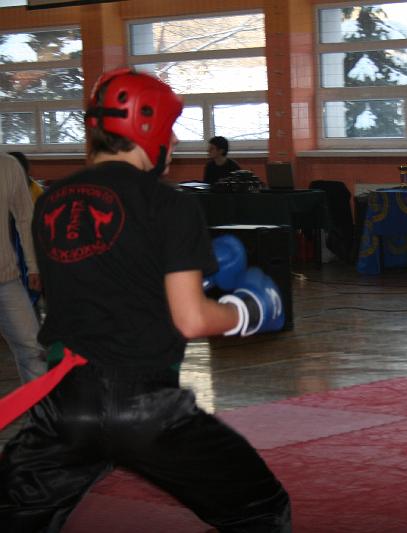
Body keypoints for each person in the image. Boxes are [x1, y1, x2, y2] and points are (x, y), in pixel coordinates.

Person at [0, 68, 291, 532]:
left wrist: (191, 279)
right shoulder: (169, 204)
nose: (172, 142)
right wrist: (249, 311)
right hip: (147, 407)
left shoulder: (52, 203)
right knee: (260, 509)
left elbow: (105, 287)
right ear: (147, 128)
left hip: (67, 407)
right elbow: (191, 320)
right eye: (169, 129)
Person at [0, 153, 46, 383]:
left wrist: (34, 266)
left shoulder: (8, 166)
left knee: (33, 350)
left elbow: (26, 218)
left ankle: (41, 405)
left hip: (6, 279)